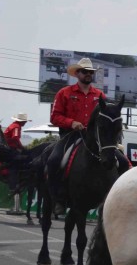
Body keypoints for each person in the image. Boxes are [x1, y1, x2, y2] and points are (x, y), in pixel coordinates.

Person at [46, 57, 109, 213]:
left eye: (90, 72)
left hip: (94, 139)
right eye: (85, 71)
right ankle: (58, 198)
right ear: (77, 73)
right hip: (71, 136)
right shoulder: (64, 93)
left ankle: (112, 197)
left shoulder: (100, 96)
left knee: (120, 161)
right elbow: (54, 117)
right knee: (54, 160)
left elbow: (107, 117)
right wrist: (72, 122)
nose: (88, 74)